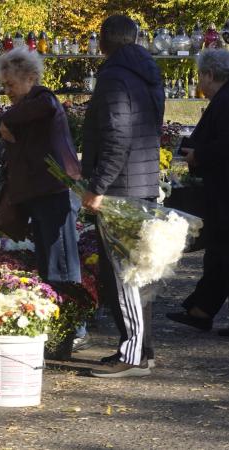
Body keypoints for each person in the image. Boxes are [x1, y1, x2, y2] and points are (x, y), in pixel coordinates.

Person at [81, 15, 164, 378]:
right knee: (140, 273)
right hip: (143, 182)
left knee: (124, 274)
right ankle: (142, 350)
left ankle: (132, 355)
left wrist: (97, 186)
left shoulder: (114, 77)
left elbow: (117, 136)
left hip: (121, 189)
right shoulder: (148, 72)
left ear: (103, 43)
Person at [0, 48, 83, 292]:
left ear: (30, 78)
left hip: (56, 192)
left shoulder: (43, 99)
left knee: (61, 263)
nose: (7, 92)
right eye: (4, 86)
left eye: (10, 84)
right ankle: (60, 315)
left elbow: (37, 110)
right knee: (47, 262)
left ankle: (74, 322)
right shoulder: (28, 108)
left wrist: (7, 120)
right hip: (42, 193)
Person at [166, 49, 229, 335]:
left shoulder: (225, 100)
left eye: (199, 76)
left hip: (224, 189)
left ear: (208, 74)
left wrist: (198, 155)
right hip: (220, 187)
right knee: (219, 249)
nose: (199, 83)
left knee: (221, 250)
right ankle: (200, 308)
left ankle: (201, 309)